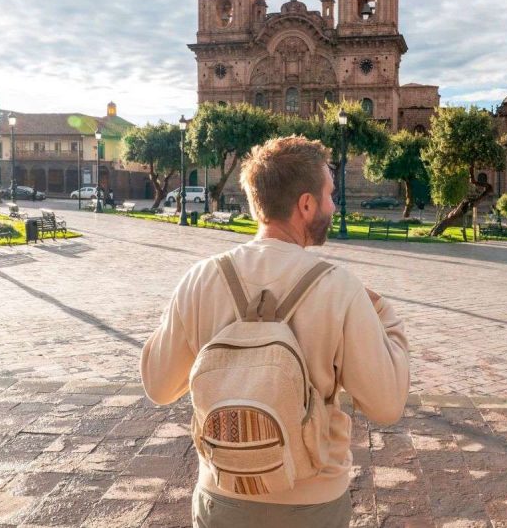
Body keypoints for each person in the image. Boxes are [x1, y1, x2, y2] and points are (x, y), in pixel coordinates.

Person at [141, 136, 410, 527]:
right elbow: (387, 405)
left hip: (223, 498)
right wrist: (385, 317)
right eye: (330, 195)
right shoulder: (339, 287)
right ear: (306, 204)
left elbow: (158, 386)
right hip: (313, 503)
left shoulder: (200, 279)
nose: (334, 206)